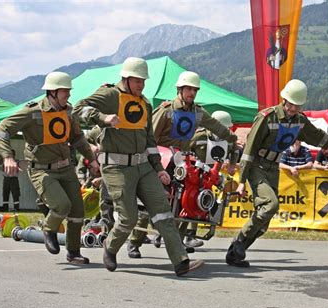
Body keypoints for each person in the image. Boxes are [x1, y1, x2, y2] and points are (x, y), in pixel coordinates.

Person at [73, 57, 203, 276]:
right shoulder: (110, 95)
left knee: (163, 212)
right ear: (126, 78)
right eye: (137, 80)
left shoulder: (145, 103)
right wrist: (102, 117)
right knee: (128, 218)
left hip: (144, 167)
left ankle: (181, 261)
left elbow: (150, 141)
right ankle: (111, 247)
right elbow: (78, 110)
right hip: (116, 168)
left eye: (143, 80)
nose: (141, 85)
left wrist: (159, 168)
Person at [226, 79, 328, 268]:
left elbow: (318, 136)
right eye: (292, 104)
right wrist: (242, 180)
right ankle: (238, 242)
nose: (294, 108)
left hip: (273, 168)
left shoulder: (300, 121)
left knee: (266, 219)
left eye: (298, 105)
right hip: (256, 166)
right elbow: (249, 150)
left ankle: (235, 254)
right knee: (271, 205)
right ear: (284, 99)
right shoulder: (267, 117)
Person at [0, 71, 99, 264]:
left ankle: (74, 253)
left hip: (66, 168)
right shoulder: (32, 112)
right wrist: (8, 157)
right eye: (64, 92)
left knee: (77, 210)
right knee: (62, 205)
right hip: (41, 170)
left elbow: (77, 138)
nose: (68, 96)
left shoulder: (69, 112)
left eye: (69, 92)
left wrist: (91, 159)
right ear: (52, 92)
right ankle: (48, 229)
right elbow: (2, 129)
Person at [138, 71, 237, 255]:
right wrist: (154, 164)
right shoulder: (166, 110)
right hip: (161, 160)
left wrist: (232, 138)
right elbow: (149, 138)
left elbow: (216, 127)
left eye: (194, 89)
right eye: (188, 88)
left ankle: (179, 242)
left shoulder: (198, 113)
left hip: (182, 163)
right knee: (152, 202)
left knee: (188, 202)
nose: (191, 92)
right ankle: (135, 242)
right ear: (180, 89)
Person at [185, 110, 240, 247]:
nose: (225, 131)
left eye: (227, 128)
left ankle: (190, 237)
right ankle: (176, 235)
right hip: (195, 174)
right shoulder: (198, 136)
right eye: (222, 128)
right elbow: (183, 148)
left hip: (212, 175)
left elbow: (235, 150)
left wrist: (232, 164)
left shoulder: (229, 138)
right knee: (188, 204)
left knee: (203, 203)